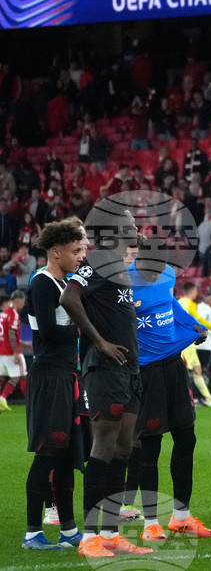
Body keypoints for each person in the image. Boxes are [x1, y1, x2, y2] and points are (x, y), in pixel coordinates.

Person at [61, 200, 152, 557]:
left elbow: (138, 240)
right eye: (129, 222)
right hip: (106, 368)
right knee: (104, 445)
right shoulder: (98, 261)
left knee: (125, 448)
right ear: (115, 229)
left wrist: (136, 237)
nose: (136, 225)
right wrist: (99, 342)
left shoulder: (116, 263)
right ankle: (88, 536)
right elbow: (70, 298)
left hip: (129, 369)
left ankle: (112, 533)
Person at [126, 238, 211, 542]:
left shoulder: (167, 275)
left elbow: (170, 305)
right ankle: (150, 523)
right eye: (153, 267)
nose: (159, 272)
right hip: (145, 372)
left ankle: (181, 517)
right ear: (139, 261)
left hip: (173, 366)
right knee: (150, 446)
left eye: (162, 266)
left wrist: (193, 325)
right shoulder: (123, 282)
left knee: (186, 437)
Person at [21, 218, 87, 551]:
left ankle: (69, 530)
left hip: (67, 375)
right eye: (76, 250)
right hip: (49, 377)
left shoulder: (67, 284)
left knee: (64, 457)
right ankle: (33, 533)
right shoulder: (43, 283)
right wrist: (85, 331)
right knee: (47, 453)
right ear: (57, 251)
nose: (81, 255)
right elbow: (46, 330)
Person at [177, 282, 211, 406]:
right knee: (184, 372)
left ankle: (208, 398)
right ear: (193, 291)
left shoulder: (178, 302)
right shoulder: (189, 303)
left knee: (197, 370)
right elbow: (199, 319)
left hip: (185, 342)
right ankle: (183, 400)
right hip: (186, 344)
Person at [0, 290, 26, 411]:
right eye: (23, 301)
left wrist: (23, 343)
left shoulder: (4, 313)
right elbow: (11, 333)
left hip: (2, 350)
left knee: (2, 376)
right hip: (11, 351)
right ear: (18, 301)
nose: (24, 304)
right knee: (20, 375)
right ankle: (3, 398)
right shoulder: (14, 314)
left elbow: (7, 333)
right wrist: (16, 352)